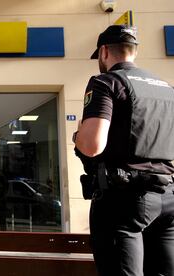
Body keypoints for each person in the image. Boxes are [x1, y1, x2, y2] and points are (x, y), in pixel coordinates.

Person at [74, 25, 174, 276]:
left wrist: (78, 136)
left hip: (124, 201)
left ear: (104, 51)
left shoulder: (106, 82)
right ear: (134, 52)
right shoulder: (166, 89)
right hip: (168, 196)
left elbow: (92, 145)